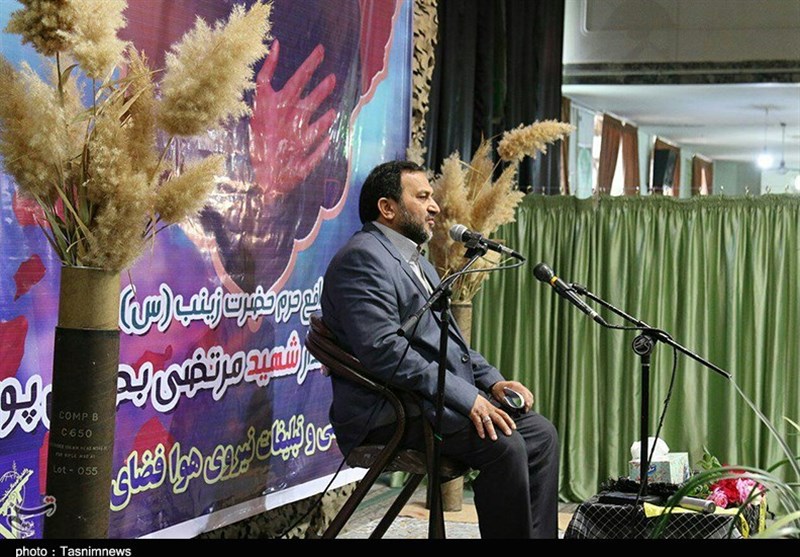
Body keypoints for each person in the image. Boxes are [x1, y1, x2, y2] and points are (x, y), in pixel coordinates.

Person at [321, 160, 559, 538]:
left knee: (540, 434)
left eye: (432, 196)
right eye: (422, 197)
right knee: (505, 444)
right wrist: (466, 397)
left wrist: (492, 382)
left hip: (424, 401)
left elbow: (451, 341)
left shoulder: (418, 261)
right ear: (387, 208)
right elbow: (385, 351)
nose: (434, 206)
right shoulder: (362, 259)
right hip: (389, 411)